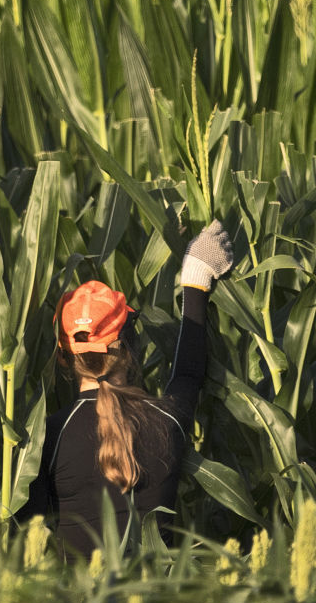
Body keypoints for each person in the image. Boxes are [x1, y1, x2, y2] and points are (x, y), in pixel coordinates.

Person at [15, 221, 235, 558]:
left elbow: (29, 532)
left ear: (63, 357)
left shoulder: (46, 437)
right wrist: (196, 277)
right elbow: (189, 374)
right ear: (129, 345)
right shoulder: (166, 421)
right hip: (153, 600)